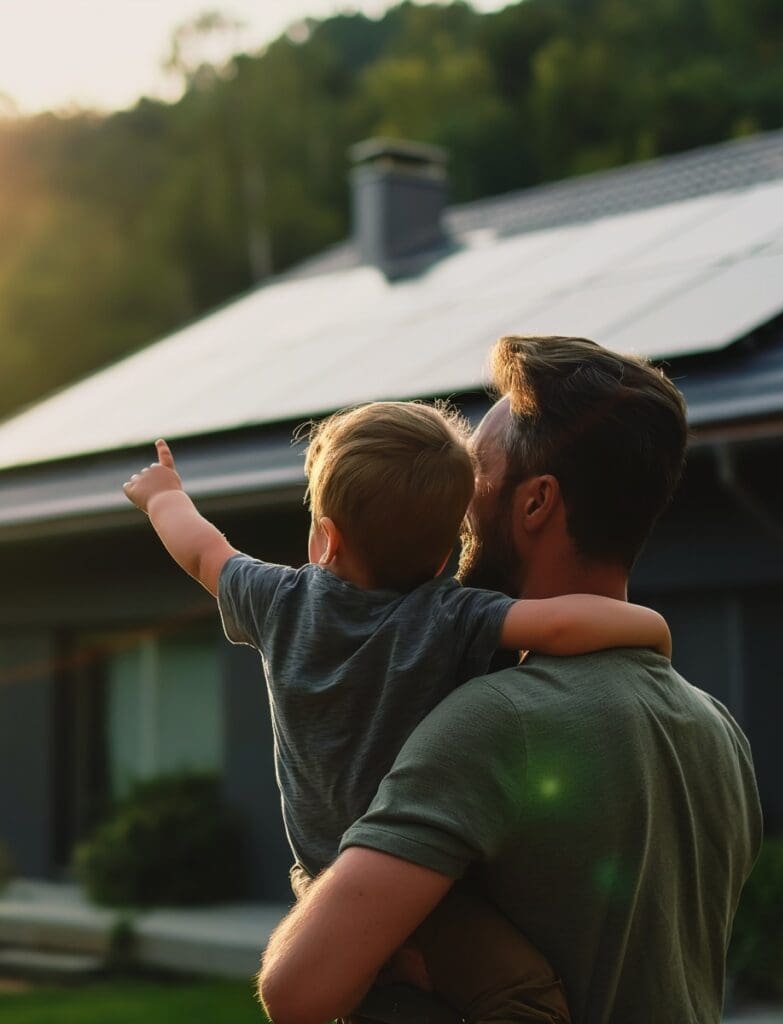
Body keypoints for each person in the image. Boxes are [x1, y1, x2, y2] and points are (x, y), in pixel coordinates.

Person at [256, 336, 763, 1024]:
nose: (452, 509)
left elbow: (297, 991)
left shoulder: (493, 723)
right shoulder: (716, 730)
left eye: (472, 480)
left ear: (535, 504)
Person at [122, 399, 673, 1023]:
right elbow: (562, 622)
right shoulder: (451, 616)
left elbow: (201, 549)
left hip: (323, 878)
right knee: (527, 1000)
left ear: (325, 539)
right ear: (445, 555)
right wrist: (649, 625)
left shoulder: (281, 601)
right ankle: (403, 961)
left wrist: (162, 495)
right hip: (423, 888)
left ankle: (393, 967)